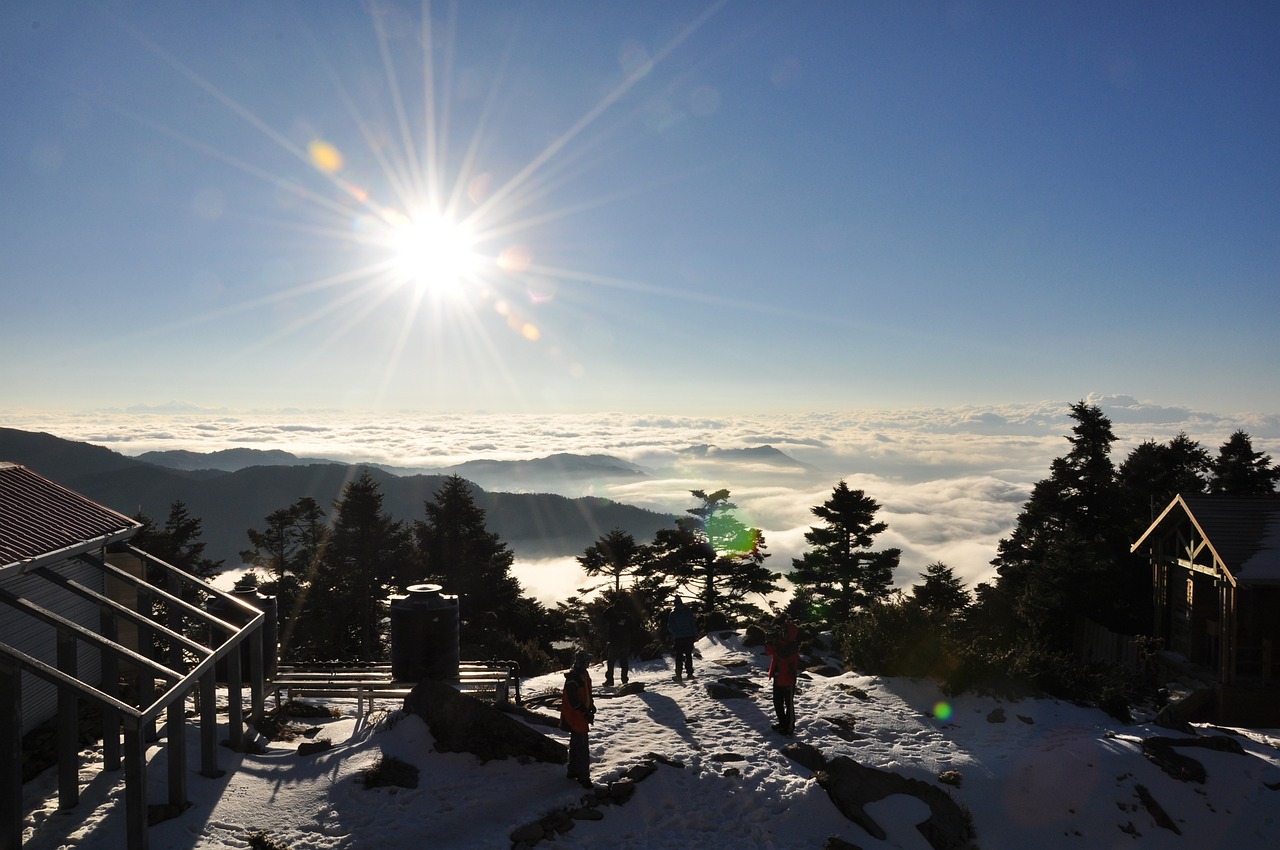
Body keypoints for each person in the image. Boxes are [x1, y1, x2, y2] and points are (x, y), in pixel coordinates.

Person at [560, 650, 596, 788]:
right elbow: (574, 703)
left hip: (579, 716)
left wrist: (591, 704)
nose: (589, 663)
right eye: (587, 661)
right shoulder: (573, 679)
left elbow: (586, 693)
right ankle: (583, 777)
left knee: (576, 744)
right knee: (581, 748)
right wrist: (585, 712)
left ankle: (573, 770)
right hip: (575, 717)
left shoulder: (583, 675)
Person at [765, 618, 800, 735]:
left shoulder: (792, 646)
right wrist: (769, 641)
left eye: (785, 632)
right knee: (777, 702)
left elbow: (783, 654)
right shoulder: (781, 643)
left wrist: (775, 641)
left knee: (788, 704)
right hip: (778, 677)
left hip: (788, 679)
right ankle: (782, 723)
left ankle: (789, 727)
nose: (782, 634)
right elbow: (770, 652)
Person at [601, 599, 631, 686]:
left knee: (610, 662)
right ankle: (624, 680)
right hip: (625, 643)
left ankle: (610, 680)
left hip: (614, 643)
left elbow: (604, 615)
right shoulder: (627, 617)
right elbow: (633, 628)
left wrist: (611, 607)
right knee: (624, 662)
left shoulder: (613, 616)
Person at [667, 596, 697, 682]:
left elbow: (670, 626)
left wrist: (674, 633)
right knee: (688, 655)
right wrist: (695, 634)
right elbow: (693, 623)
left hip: (679, 638)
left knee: (679, 656)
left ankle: (678, 675)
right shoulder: (688, 611)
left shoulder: (673, 613)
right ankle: (690, 673)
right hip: (689, 636)